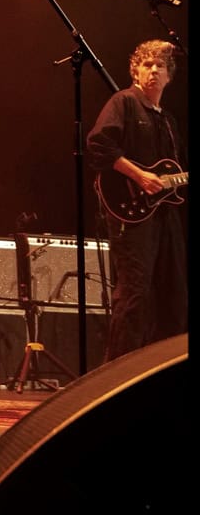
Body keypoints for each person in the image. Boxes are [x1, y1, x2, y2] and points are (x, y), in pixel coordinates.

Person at [86, 39, 187, 361]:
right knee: (134, 293)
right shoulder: (124, 102)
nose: (154, 70)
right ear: (136, 72)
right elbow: (99, 144)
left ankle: (161, 367)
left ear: (169, 76)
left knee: (173, 293)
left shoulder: (168, 120)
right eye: (147, 65)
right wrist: (140, 176)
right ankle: (117, 371)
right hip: (130, 213)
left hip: (163, 214)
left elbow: (174, 171)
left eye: (160, 66)